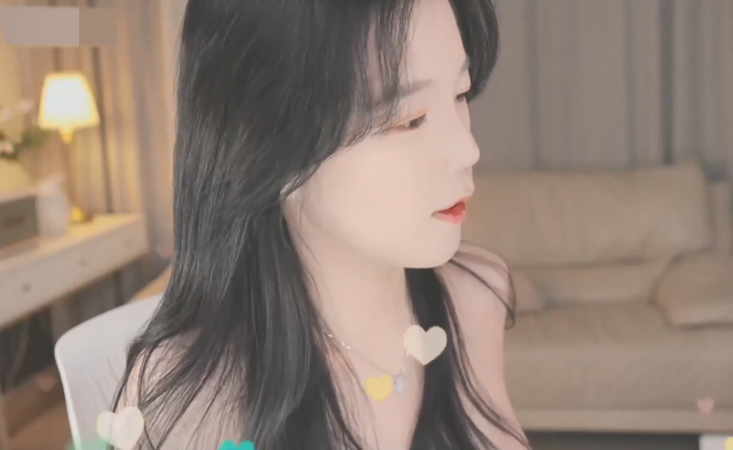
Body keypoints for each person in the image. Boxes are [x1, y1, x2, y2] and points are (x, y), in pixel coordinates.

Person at [112, 0, 531, 449]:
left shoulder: (475, 299)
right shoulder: (191, 400)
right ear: (268, 148)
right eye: (410, 120)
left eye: (460, 94)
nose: (467, 149)